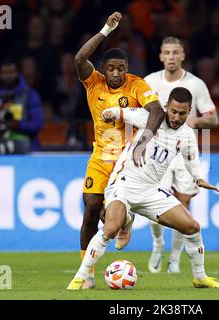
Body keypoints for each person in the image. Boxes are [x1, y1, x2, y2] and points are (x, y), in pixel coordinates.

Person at [67, 87, 219, 290]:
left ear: (189, 111)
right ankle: (80, 277)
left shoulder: (187, 135)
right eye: (174, 111)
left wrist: (199, 178)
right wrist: (110, 113)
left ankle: (200, 277)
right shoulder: (149, 118)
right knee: (110, 228)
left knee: (192, 227)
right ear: (167, 107)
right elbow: (122, 112)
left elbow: (191, 159)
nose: (177, 117)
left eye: (182, 113)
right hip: (123, 185)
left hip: (151, 191)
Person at [75, 12, 165, 289]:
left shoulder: (137, 84)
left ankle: (123, 219)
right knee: (91, 208)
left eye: (121, 68)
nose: (116, 73)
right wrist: (105, 30)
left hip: (126, 161)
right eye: (111, 68)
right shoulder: (94, 83)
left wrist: (144, 140)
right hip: (100, 157)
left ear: (127, 67)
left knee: (108, 214)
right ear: (103, 68)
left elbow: (156, 111)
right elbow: (79, 59)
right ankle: (86, 270)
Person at [143, 36, 219, 274]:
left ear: (183, 55)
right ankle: (158, 244)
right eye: (167, 52)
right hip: (157, 153)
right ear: (160, 56)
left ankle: (174, 258)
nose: (172, 57)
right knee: (156, 206)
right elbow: (138, 113)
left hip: (185, 152)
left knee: (182, 205)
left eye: (176, 52)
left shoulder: (196, 84)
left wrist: (192, 121)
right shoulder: (149, 82)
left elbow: (214, 119)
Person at [0, 60, 44, 154]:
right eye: (5, 72)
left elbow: (38, 124)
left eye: (12, 72)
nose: (8, 76)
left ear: (18, 73)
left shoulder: (30, 95)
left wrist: (18, 125)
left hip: (25, 147)